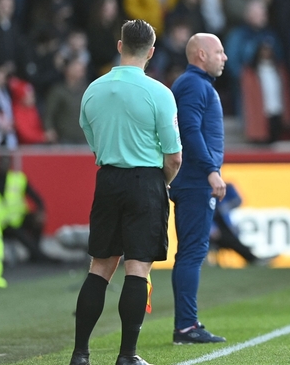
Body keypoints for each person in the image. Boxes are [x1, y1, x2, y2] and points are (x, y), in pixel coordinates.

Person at [71, 19, 182, 365]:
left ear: (120, 47)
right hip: (146, 181)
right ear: (150, 52)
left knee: (100, 267)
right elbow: (174, 156)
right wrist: (160, 183)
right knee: (138, 269)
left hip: (108, 180)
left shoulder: (93, 89)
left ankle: (80, 355)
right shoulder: (159, 93)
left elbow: (91, 138)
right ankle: (127, 356)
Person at [169, 33, 228, 345]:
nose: (225, 57)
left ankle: (186, 324)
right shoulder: (193, 85)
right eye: (219, 52)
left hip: (191, 179)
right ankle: (186, 326)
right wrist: (210, 171)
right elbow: (189, 130)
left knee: (190, 253)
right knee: (192, 253)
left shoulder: (196, 85)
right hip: (193, 181)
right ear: (201, 55)